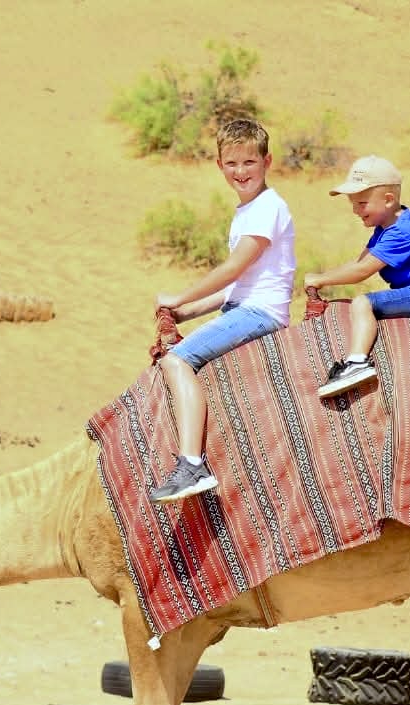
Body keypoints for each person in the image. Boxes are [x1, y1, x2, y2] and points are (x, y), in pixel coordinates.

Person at [149, 118, 296, 503]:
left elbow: (233, 269)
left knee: (177, 361)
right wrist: (187, 313)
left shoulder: (267, 208)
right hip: (244, 306)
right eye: (232, 164)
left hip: (260, 313)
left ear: (268, 161)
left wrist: (179, 298)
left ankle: (191, 465)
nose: (240, 172)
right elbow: (236, 285)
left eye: (249, 162)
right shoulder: (247, 211)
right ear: (219, 165)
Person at [303, 155, 410, 398]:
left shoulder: (402, 231)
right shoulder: (385, 227)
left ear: (388, 200)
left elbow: (362, 271)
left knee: (363, 303)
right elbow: (359, 262)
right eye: (353, 203)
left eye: (362, 202)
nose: (355, 210)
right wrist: (321, 276)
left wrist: (321, 280)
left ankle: (357, 363)